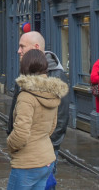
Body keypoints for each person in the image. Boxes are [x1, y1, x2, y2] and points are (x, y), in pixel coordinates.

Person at [13, 31, 70, 188]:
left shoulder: (55, 75)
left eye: (22, 46)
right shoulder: (27, 70)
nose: (19, 51)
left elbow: (61, 117)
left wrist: (49, 144)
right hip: (25, 147)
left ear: (36, 47)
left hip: (43, 150)